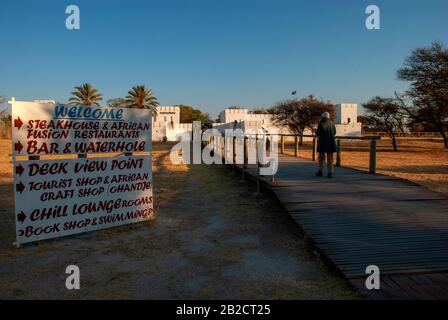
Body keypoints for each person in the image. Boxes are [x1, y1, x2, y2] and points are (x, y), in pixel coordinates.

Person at [315, 112, 337, 178]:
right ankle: (330, 173)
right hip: (331, 143)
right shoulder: (332, 123)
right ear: (328, 117)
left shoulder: (321, 123)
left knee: (321, 158)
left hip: (322, 143)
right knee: (330, 159)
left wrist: (315, 131)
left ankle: (320, 171)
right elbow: (334, 132)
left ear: (322, 117)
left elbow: (318, 133)